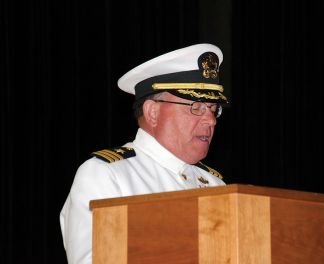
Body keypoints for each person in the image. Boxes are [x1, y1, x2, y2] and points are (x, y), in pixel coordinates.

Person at [60, 43, 229, 263]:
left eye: (213, 108)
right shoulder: (106, 175)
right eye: (196, 107)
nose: (210, 119)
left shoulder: (216, 186)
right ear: (153, 112)